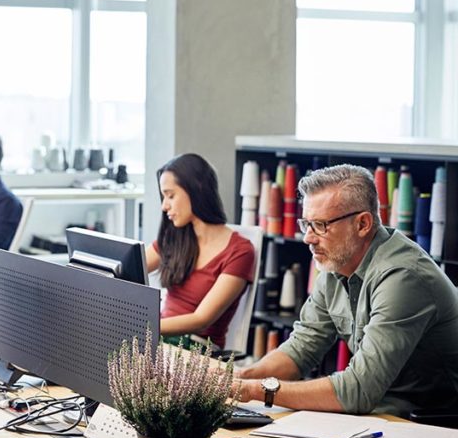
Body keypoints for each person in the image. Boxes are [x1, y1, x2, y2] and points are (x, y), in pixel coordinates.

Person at [237, 164, 458, 415]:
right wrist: (241, 378)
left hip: (435, 424)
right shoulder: (336, 266)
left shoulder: (403, 277)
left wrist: (254, 390)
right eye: (306, 224)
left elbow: (358, 390)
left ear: (363, 224)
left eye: (320, 225)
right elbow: (301, 348)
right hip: (384, 413)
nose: (308, 238)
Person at [145, 153, 255, 349]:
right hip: (160, 340)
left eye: (170, 195)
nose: (164, 205)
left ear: (196, 190)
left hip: (198, 350)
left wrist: (144, 327)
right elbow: (130, 266)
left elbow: (201, 319)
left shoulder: (240, 252)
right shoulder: (175, 238)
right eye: (164, 197)